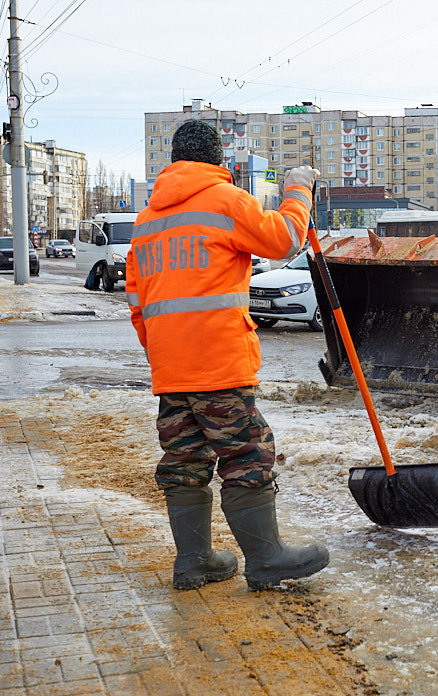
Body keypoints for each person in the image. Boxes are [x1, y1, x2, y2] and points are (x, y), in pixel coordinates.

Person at [126, 120, 329, 591]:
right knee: (247, 454)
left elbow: (137, 305)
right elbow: (283, 240)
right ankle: (267, 558)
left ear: (174, 160)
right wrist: (298, 190)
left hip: (170, 370)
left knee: (185, 461)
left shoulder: (146, 222)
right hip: (219, 364)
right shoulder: (226, 201)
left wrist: (168, 352)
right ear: (219, 160)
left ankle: (195, 561)